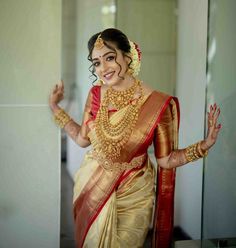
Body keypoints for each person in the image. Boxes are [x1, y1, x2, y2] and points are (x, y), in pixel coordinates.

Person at [49, 28, 221, 248]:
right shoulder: (95, 95)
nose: (103, 69)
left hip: (135, 194)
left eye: (109, 58)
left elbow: (166, 160)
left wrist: (204, 145)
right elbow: (83, 140)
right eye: (96, 63)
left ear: (128, 57)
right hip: (92, 188)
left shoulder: (157, 104)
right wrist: (56, 108)